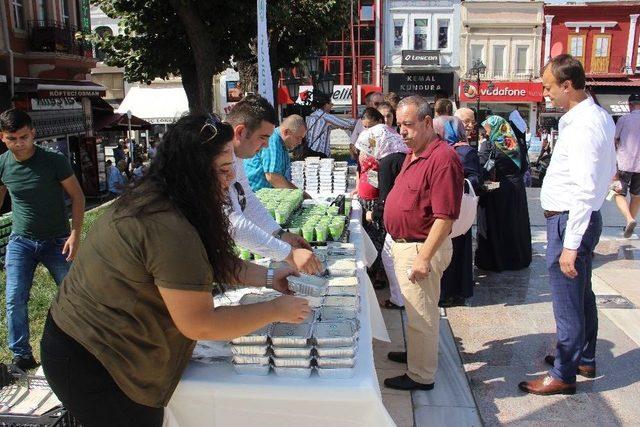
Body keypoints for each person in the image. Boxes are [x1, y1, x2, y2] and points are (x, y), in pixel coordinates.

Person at [40, 114, 310, 426]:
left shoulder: (171, 199)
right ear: (192, 171)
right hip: (95, 360)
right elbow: (201, 324)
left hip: (95, 347)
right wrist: (275, 310)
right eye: (223, 170)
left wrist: (267, 276)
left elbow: (205, 265)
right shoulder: (167, 223)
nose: (230, 179)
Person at [519, 54, 616, 396]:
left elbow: (587, 186)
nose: (545, 93)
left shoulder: (586, 123)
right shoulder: (594, 116)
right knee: (581, 295)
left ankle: (564, 373)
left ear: (567, 85)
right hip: (576, 219)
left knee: (567, 301)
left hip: (571, 221)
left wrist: (570, 244)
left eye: (548, 87)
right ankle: (583, 357)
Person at [383, 95, 463, 391]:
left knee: (423, 314)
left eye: (407, 124)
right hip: (408, 244)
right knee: (416, 311)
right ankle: (418, 356)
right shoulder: (414, 152)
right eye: (398, 124)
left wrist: (423, 258)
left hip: (421, 247)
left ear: (428, 122)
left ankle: (421, 375)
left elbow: (445, 217)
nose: (401, 130)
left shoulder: (442, 158)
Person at [0, 109, 85, 371]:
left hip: (57, 240)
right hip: (21, 241)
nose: (19, 143)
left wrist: (74, 234)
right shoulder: (3, 163)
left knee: (74, 295)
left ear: (33, 133)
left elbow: (78, 197)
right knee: (14, 297)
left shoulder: (53, 160)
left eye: (24, 137)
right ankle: (22, 355)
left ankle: (83, 347)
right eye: (12, 138)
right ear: (3, 137)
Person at [226, 95, 322, 274]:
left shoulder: (235, 154)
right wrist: (289, 254)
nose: (266, 145)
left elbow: (246, 199)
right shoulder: (217, 157)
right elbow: (233, 223)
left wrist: (280, 235)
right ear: (240, 132)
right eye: (263, 137)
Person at [433, 100, 482, 307]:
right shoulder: (440, 150)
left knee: (457, 254)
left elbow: (475, 181)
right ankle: (443, 292)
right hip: (443, 210)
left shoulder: (465, 152)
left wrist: (454, 182)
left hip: (457, 212)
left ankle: (455, 293)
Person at [361, 104, 409, 309]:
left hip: (397, 217)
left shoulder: (388, 162)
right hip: (406, 213)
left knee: (389, 257)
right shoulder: (402, 154)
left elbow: (387, 196)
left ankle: (398, 298)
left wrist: (375, 214)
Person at [475, 115, 532, 272]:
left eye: (487, 128)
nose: (485, 131)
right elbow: (523, 168)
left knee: (496, 224)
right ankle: (517, 259)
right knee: (515, 223)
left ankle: (496, 260)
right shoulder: (515, 143)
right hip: (516, 189)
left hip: (497, 189)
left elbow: (482, 166)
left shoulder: (489, 144)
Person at [243, 114, 309, 196]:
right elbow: (273, 176)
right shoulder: (274, 140)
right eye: (298, 138)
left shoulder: (282, 143)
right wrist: (300, 195)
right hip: (255, 195)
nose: (300, 142)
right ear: (286, 132)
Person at [612, 93, 640, 237]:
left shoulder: (624, 119)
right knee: (636, 196)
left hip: (624, 163)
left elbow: (614, 139)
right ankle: (629, 224)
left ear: (629, 105)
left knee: (617, 193)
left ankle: (629, 219)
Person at [350, 91, 385, 159]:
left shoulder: (389, 120)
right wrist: (356, 158)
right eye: (376, 103)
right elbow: (352, 143)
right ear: (370, 104)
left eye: (382, 103)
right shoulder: (362, 121)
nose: (380, 106)